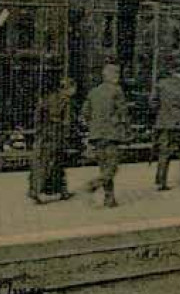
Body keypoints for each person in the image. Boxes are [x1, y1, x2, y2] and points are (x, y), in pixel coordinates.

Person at [80, 62, 130, 208]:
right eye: (116, 74)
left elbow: (85, 113)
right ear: (111, 75)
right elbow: (123, 112)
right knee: (112, 168)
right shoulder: (117, 90)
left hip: (96, 135)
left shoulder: (94, 91)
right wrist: (126, 130)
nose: (118, 77)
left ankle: (110, 199)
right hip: (111, 134)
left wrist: (94, 125)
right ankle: (94, 183)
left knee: (104, 166)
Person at [27, 75, 76, 204]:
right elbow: (58, 119)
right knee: (47, 164)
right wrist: (64, 131)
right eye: (73, 88)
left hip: (48, 136)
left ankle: (61, 190)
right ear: (67, 88)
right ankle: (36, 192)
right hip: (51, 137)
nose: (74, 91)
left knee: (56, 164)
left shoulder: (52, 98)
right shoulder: (61, 100)